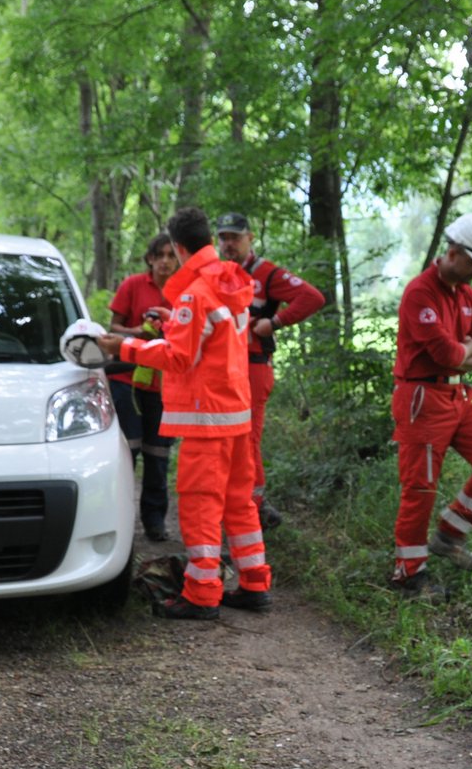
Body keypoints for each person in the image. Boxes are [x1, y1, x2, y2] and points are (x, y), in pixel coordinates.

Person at [91, 207, 272, 620]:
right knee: (238, 503)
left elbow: (178, 358)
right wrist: (176, 321)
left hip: (205, 417)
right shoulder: (230, 280)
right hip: (236, 413)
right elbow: (217, 339)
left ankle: (202, 593)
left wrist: (122, 347)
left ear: (178, 246)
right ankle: (254, 583)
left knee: (200, 505)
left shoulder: (195, 293)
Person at [388, 212, 472, 597]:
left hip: (459, 397)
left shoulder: (467, 294)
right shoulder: (420, 292)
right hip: (422, 399)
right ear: (454, 253)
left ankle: (449, 535)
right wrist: (463, 352)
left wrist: (464, 353)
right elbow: (444, 353)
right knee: (420, 488)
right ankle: (408, 574)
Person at [214, 212, 327, 529]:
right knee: (228, 441)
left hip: (253, 368)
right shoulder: (218, 273)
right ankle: (237, 505)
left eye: (235, 237)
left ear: (250, 237)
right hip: (224, 370)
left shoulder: (265, 272)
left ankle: (255, 508)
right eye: (223, 237)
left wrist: (274, 323)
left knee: (247, 440)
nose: (228, 244)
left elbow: (312, 297)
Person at [107, 233, 180, 541]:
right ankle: (117, 518)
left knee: (158, 452)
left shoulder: (185, 292)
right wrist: (139, 332)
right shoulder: (133, 285)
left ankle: (154, 521)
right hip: (126, 379)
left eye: (170, 255)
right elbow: (114, 328)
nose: (165, 261)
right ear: (150, 258)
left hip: (165, 385)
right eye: (159, 255)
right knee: (129, 450)